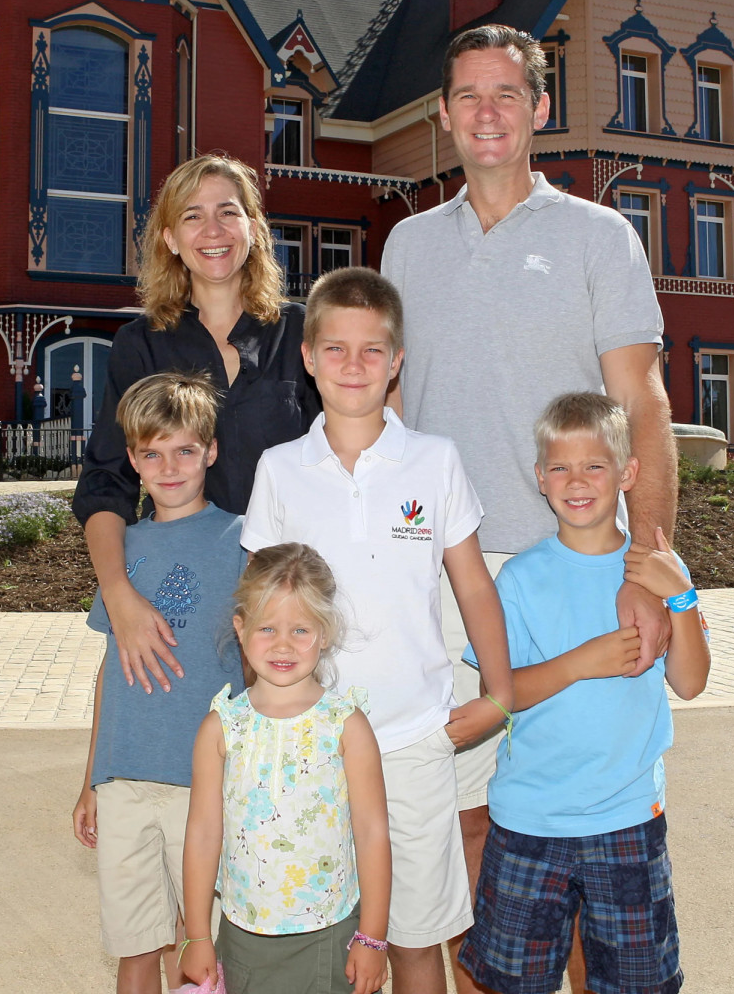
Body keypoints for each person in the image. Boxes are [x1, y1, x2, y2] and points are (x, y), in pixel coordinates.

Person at [380, 23, 677, 992]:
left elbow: (642, 405)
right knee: (467, 824)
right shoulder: (406, 245)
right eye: (466, 95)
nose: (486, 112)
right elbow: (381, 413)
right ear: (442, 116)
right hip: (443, 582)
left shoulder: (598, 236)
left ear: (539, 108)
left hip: (571, 570)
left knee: (597, 832)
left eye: (506, 93)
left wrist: (648, 564)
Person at [240, 267, 513, 994]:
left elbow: (473, 584)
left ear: (397, 362)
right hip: (310, 744)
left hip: (413, 740)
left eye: (372, 351)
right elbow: (263, 607)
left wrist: (502, 692)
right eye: (336, 349)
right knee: (330, 943)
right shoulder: (279, 471)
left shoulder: (435, 460)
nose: (353, 366)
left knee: (417, 943)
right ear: (308, 356)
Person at [458, 392, 710, 994]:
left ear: (627, 473)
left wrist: (683, 598)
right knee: (514, 983)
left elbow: (692, 682)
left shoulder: (657, 574)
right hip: (528, 821)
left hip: (627, 819)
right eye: (562, 468)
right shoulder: (518, 579)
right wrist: (580, 663)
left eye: (595, 466)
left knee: (637, 984)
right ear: (541, 478)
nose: (578, 482)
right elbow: (502, 694)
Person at [72, 154, 318, 696]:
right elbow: (106, 482)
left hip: (285, 594)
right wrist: (120, 598)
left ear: (252, 228)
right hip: (176, 587)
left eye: (228, 212)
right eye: (192, 216)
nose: (213, 230)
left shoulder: (304, 334)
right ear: (169, 238)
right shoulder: (141, 346)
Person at [72, 371, 247, 994]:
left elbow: (258, 669)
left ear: (211, 451)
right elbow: (107, 674)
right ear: (132, 460)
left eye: (184, 451)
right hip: (124, 782)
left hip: (202, 788)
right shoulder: (123, 549)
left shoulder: (241, 542)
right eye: (152, 453)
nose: (168, 467)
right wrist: (94, 778)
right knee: (136, 949)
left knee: (204, 953)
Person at [181, 542, 391, 994]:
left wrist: (372, 937)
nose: (282, 644)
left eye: (300, 630)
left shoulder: (346, 725)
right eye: (267, 628)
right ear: (240, 629)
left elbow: (372, 832)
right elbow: (201, 834)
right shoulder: (221, 726)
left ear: (326, 633)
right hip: (242, 936)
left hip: (331, 934)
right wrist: (198, 935)